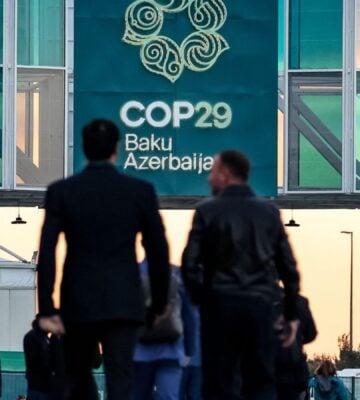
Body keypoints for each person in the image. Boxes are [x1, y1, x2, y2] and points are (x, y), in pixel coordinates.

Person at [37, 119, 170, 400]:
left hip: (78, 302)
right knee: (121, 380)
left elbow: (47, 249)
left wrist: (48, 308)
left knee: (76, 379)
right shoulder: (140, 191)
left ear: (83, 149)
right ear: (116, 149)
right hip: (124, 302)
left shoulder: (61, 191)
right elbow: (158, 250)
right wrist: (157, 304)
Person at [182, 150, 300, 400]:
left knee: (218, 383)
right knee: (261, 382)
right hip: (260, 308)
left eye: (212, 172)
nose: (208, 178)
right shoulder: (269, 212)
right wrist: (289, 314)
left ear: (225, 175)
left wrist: (205, 301)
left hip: (219, 308)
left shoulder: (207, 211)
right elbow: (288, 268)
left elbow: (190, 266)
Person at [133, 260, 197, 400]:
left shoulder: (134, 272)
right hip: (171, 350)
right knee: (168, 396)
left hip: (140, 352)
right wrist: (190, 349)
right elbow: (189, 314)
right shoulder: (177, 273)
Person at [276, 294, 317, 400]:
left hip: (263, 371)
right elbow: (311, 334)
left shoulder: (253, 298)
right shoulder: (300, 302)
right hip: (292, 373)